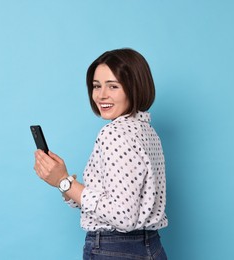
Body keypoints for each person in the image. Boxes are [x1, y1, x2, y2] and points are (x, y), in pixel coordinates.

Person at [33, 48, 168, 260]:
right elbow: (116, 200)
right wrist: (64, 183)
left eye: (113, 86)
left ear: (134, 87)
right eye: (96, 86)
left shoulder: (115, 132)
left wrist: (63, 181)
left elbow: (123, 217)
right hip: (151, 246)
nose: (101, 95)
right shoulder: (146, 131)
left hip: (115, 249)